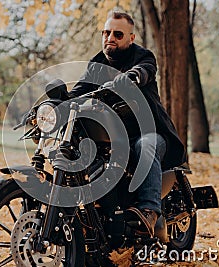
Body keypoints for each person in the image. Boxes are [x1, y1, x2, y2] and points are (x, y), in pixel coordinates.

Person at [68, 10, 187, 237]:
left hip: (150, 132)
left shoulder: (143, 56)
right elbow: (79, 90)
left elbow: (145, 71)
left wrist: (131, 77)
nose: (110, 37)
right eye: (106, 32)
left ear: (131, 38)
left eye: (118, 34)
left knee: (145, 145)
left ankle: (150, 210)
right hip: (115, 138)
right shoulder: (97, 64)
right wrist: (54, 104)